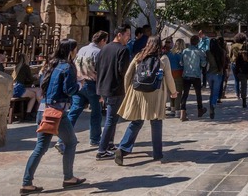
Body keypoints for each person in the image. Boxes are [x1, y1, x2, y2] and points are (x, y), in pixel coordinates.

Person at [20, 39, 85, 195]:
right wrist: (80, 85)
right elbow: (69, 90)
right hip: (57, 112)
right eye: (75, 49)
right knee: (71, 143)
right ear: (71, 51)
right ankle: (68, 177)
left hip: (44, 109)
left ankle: (26, 183)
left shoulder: (51, 64)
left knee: (40, 148)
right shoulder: (68, 67)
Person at [114, 36, 178, 165]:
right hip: (156, 93)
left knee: (136, 122)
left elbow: (128, 75)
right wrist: (173, 92)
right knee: (156, 122)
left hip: (138, 93)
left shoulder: (139, 56)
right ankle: (157, 153)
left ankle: (122, 148)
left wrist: (128, 91)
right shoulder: (163, 59)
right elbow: (169, 78)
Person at [55, 30, 108, 154]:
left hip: (79, 83)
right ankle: (95, 139)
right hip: (92, 84)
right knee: (96, 113)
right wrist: (102, 91)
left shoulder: (82, 49)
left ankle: (61, 139)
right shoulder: (98, 52)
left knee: (74, 111)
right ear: (102, 41)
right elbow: (100, 72)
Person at [95, 24, 131, 160]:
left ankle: (109, 143)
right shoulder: (123, 50)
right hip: (115, 88)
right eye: (127, 35)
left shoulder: (104, 48)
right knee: (111, 119)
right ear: (119, 35)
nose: (129, 38)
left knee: (113, 118)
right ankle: (102, 149)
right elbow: (124, 71)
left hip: (103, 87)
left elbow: (97, 66)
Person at [179, 35, 207, 121]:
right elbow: (203, 64)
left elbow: (181, 63)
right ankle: (200, 109)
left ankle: (182, 112)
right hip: (196, 75)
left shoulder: (184, 51)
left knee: (185, 94)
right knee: (198, 94)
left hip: (186, 75)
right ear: (198, 42)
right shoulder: (200, 52)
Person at [13, 53, 42, 119]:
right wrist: (36, 77)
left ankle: (35, 112)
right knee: (34, 94)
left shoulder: (17, 67)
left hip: (15, 87)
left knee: (37, 90)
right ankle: (34, 112)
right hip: (19, 88)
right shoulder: (25, 67)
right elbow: (30, 78)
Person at [206, 37, 226, 119]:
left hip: (210, 73)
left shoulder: (208, 52)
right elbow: (223, 64)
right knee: (215, 92)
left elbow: (205, 63)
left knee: (212, 91)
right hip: (218, 73)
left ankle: (211, 104)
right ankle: (213, 105)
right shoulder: (222, 52)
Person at [232, 33, 248, 108]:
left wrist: (238, 70)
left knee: (243, 86)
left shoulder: (239, 52)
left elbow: (237, 62)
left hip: (242, 71)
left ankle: (243, 101)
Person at [167, 39, 185, 117]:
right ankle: (177, 110)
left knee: (171, 92)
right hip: (178, 74)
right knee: (178, 92)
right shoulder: (180, 54)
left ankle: (172, 109)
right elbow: (182, 64)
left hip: (169, 74)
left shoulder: (169, 53)